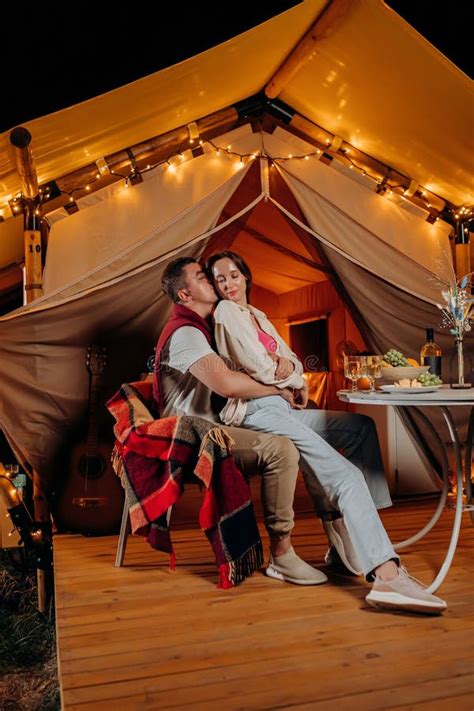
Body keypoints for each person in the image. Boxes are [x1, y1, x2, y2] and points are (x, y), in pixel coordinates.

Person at [205, 250, 447, 614]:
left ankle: (352, 539)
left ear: (246, 276)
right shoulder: (225, 313)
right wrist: (286, 377)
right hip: (257, 411)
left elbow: (293, 361)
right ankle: (385, 574)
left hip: (281, 406)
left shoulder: (256, 315)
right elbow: (261, 367)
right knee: (345, 475)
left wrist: (289, 373)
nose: (228, 284)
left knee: (360, 429)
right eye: (220, 279)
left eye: (234, 275)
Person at [154, 256, 326, 586]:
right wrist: (282, 388)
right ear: (185, 296)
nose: (213, 281)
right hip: (194, 436)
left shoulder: (213, 326)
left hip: (217, 423)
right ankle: (283, 554)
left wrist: (281, 373)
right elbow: (227, 384)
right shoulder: (186, 333)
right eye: (202, 277)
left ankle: (339, 532)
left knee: (302, 430)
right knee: (282, 449)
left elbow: (249, 367)